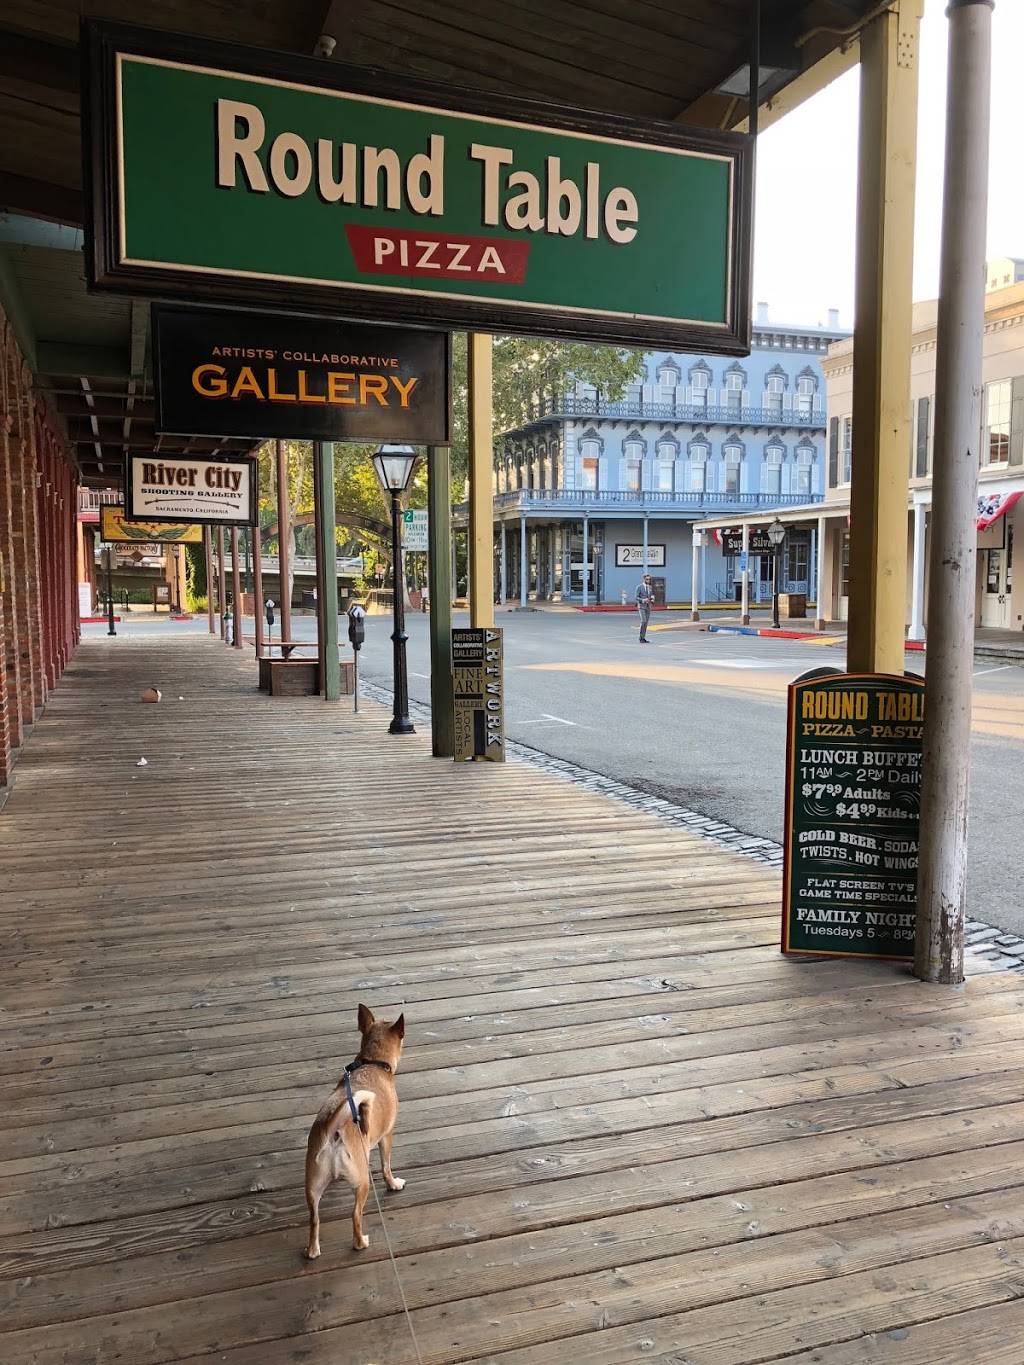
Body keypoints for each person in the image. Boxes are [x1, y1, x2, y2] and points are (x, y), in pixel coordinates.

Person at [635, 574, 655, 643]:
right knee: (643, 621)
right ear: (644, 579)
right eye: (647, 579)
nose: (648, 580)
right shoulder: (639, 587)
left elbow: (651, 596)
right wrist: (643, 600)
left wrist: (652, 599)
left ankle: (643, 638)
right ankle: (640, 637)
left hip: (648, 607)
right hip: (641, 607)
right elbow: (636, 597)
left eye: (649, 579)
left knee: (646, 623)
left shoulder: (650, 587)